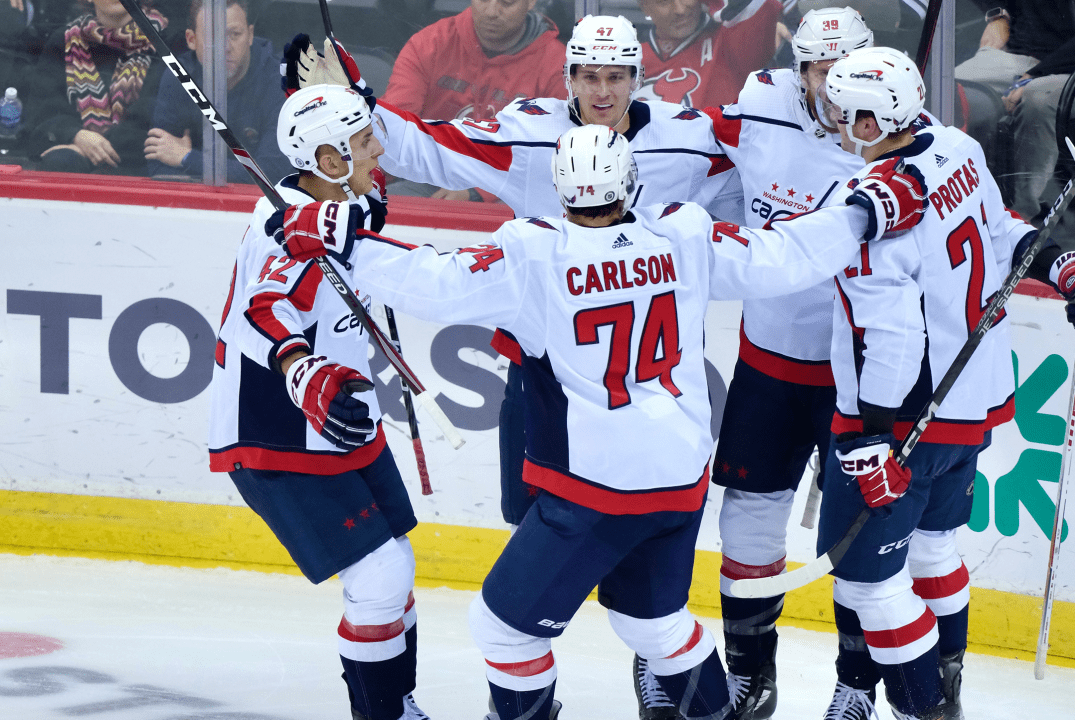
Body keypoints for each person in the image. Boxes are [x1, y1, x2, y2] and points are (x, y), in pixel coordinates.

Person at [274, 122, 929, 720]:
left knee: (503, 629)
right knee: (657, 627)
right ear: (630, 182)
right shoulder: (684, 234)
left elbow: (436, 281)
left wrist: (345, 242)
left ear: (561, 189)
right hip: (675, 482)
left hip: (593, 492)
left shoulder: (534, 254)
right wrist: (861, 211)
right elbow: (784, 253)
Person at [281, 15, 743, 545]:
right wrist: (353, 107)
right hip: (545, 369)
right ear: (567, 77)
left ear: (637, 78)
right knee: (532, 526)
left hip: (649, 376)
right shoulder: (529, 135)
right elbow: (432, 149)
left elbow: (764, 169)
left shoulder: (691, 139)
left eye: (615, 77)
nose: (601, 91)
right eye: (588, 76)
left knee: (644, 533)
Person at [815, 47, 1075, 719]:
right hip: (972, 402)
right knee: (932, 551)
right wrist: (1064, 264)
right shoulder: (954, 148)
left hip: (907, 417)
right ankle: (921, 692)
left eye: (846, 112)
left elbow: (890, 337)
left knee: (867, 582)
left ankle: (923, 708)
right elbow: (1003, 229)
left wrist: (871, 436)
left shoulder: (870, 204)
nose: (837, 122)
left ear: (872, 119)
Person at [693, 10, 938, 717]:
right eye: (817, 71)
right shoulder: (760, 103)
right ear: (795, 68)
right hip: (769, 359)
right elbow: (700, 153)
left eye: (845, 70)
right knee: (746, 521)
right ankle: (750, 672)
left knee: (854, 546)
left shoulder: (901, 136)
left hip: (857, 380)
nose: (832, 88)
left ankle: (855, 686)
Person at [206, 84, 428, 720]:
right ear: (328, 160)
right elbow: (263, 308)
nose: (377, 149)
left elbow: (366, 216)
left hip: (340, 413)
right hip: (277, 426)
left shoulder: (328, 199)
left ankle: (395, 704)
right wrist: (300, 368)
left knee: (395, 572)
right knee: (379, 576)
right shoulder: (286, 229)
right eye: (362, 142)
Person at [953, 0, 1075, 222]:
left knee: (1038, 98)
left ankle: (1018, 220)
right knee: (948, 87)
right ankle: (950, 208)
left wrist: (1037, 74)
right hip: (1018, 57)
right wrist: (999, 14)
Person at [145, 0, 290, 182]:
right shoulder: (179, 75)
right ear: (191, 40)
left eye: (235, 34)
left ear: (250, 35)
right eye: (214, 37)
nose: (226, 47)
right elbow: (158, 163)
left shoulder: (278, 81)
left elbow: (271, 174)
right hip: (191, 207)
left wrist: (187, 157)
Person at [25, 0, 170, 175]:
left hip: (140, 167)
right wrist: (77, 136)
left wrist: (93, 147)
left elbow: (158, 120)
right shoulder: (62, 41)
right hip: (74, 168)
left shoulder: (167, 41)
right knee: (62, 161)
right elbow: (40, 116)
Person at [382, 0, 566, 124]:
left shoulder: (559, 66)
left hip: (510, 179)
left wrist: (475, 184)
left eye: (507, 2)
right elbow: (396, 126)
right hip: (426, 171)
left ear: (531, 2)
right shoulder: (429, 44)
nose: (491, 12)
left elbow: (554, 153)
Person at [633, 0, 784, 108]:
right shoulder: (629, 57)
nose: (680, 10)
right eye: (664, 2)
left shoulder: (731, 37)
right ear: (644, 6)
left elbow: (765, 6)